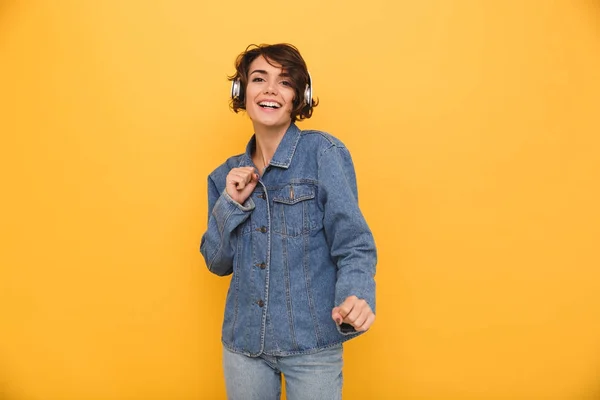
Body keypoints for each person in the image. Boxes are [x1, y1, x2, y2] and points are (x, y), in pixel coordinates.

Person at [200, 43, 377, 400]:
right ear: (241, 92)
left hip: (312, 345)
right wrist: (230, 203)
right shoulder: (225, 177)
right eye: (258, 79)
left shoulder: (324, 154)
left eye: (284, 82)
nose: (269, 90)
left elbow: (354, 244)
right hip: (244, 346)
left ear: (300, 96)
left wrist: (356, 296)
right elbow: (217, 263)